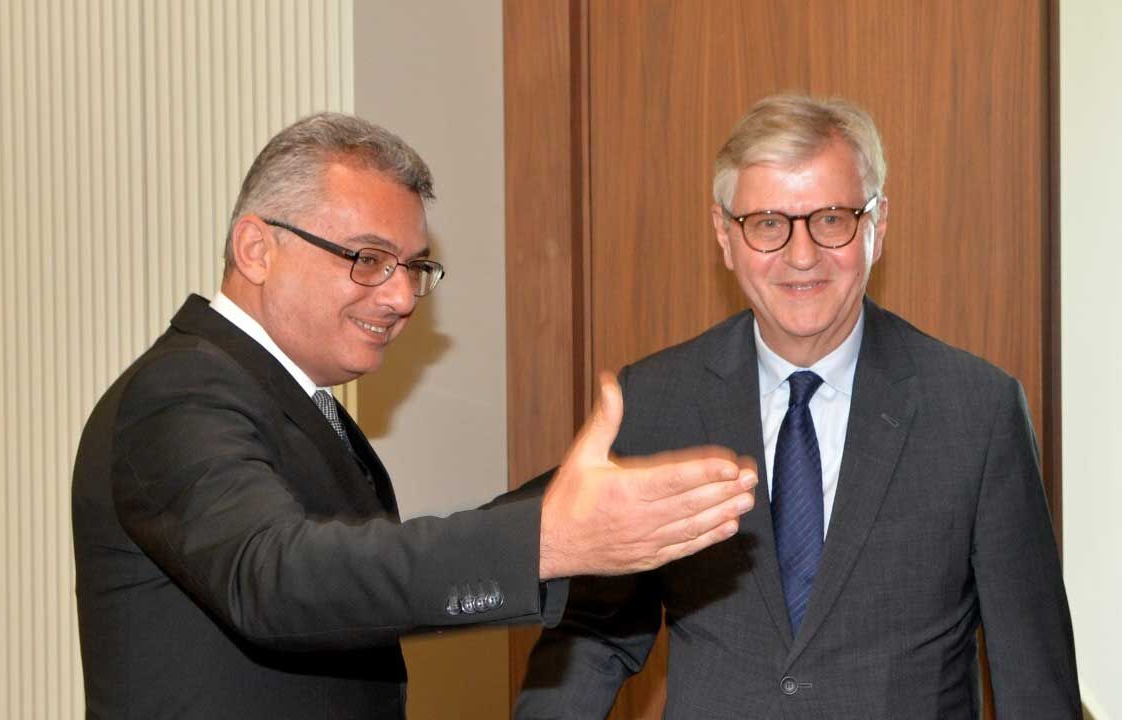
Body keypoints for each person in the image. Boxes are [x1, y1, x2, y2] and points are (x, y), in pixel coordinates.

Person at [71, 112, 758, 719]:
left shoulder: (291, 398)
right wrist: (543, 540)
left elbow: (359, 576)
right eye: (369, 259)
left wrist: (577, 506)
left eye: (412, 267)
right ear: (257, 249)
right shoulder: (181, 390)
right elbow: (275, 578)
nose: (401, 297)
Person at [515, 94, 1080, 718]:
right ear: (725, 236)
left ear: (878, 224)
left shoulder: (978, 411)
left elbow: (1033, 679)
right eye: (767, 224)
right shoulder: (655, 402)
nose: (802, 255)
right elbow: (594, 640)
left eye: (832, 219)